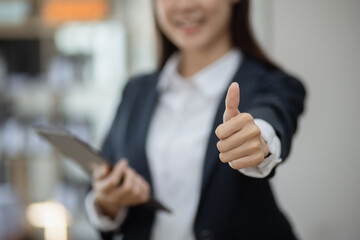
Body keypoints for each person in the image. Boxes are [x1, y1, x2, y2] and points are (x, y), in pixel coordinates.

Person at [85, 0, 306, 239]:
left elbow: (270, 117)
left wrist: (258, 141)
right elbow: (102, 178)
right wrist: (107, 203)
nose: (185, 5)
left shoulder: (273, 85)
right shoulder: (135, 91)